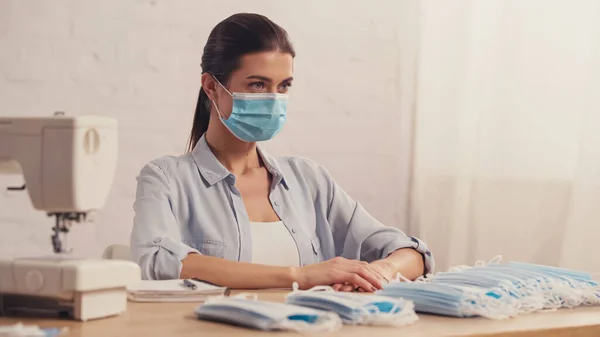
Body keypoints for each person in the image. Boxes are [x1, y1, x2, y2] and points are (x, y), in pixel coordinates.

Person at [131, 13, 434, 292]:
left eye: (284, 85)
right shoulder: (166, 179)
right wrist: (300, 276)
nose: (274, 99)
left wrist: (378, 271)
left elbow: (411, 253)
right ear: (211, 87)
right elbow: (158, 262)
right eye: (258, 85)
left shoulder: (308, 180)